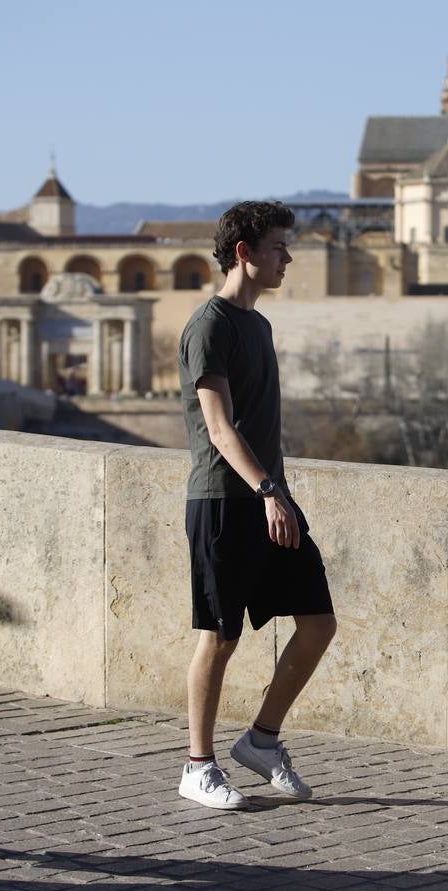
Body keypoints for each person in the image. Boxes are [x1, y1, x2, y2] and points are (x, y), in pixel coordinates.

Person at [176, 201, 337, 810]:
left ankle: (262, 741)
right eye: (278, 247)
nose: (287, 258)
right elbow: (219, 429)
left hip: (271, 497)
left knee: (318, 622)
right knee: (220, 637)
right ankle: (197, 765)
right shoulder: (208, 325)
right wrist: (268, 491)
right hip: (224, 500)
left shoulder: (259, 326)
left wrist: (277, 493)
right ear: (244, 252)